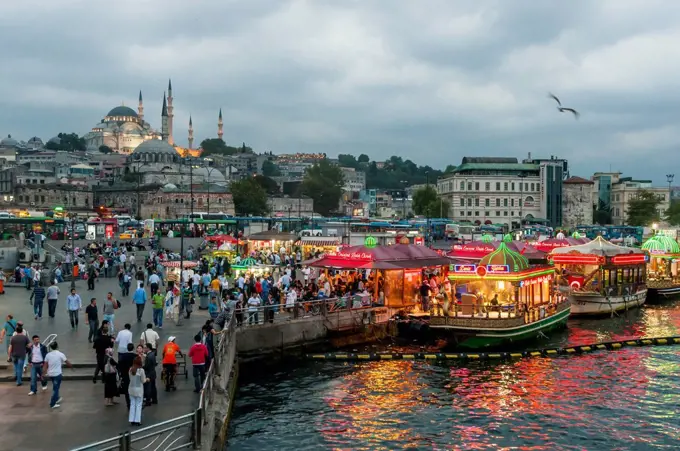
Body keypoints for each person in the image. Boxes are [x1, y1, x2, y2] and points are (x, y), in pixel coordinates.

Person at [43, 341, 72, 409]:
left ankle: (57, 398)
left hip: (50, 373)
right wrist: (71, 367)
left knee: (55, 387)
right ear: (57, 346)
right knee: (55, 389)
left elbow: (45, 365)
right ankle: (52, 403)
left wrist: (43, 373)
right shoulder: (60, 354)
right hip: (57, 374)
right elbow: (67, 362)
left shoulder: (48, 355)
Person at [128, 356, 147, 426]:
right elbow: (143, 380)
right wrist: (147, 379)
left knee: (132, 404)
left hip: (131, 388)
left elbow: (130, 378)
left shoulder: (130, 369)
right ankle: (137, 420)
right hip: (139, 389)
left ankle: (131, 419)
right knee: (139, 405)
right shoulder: (141, 370)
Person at [118, 343, 136, 409]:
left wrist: (121, 374)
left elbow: (120, 366)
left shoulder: (123, 356)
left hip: (125, 375)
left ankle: (128, 404)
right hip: (134, 376)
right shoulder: (135, 356)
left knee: (127, 390)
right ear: (133, 348)